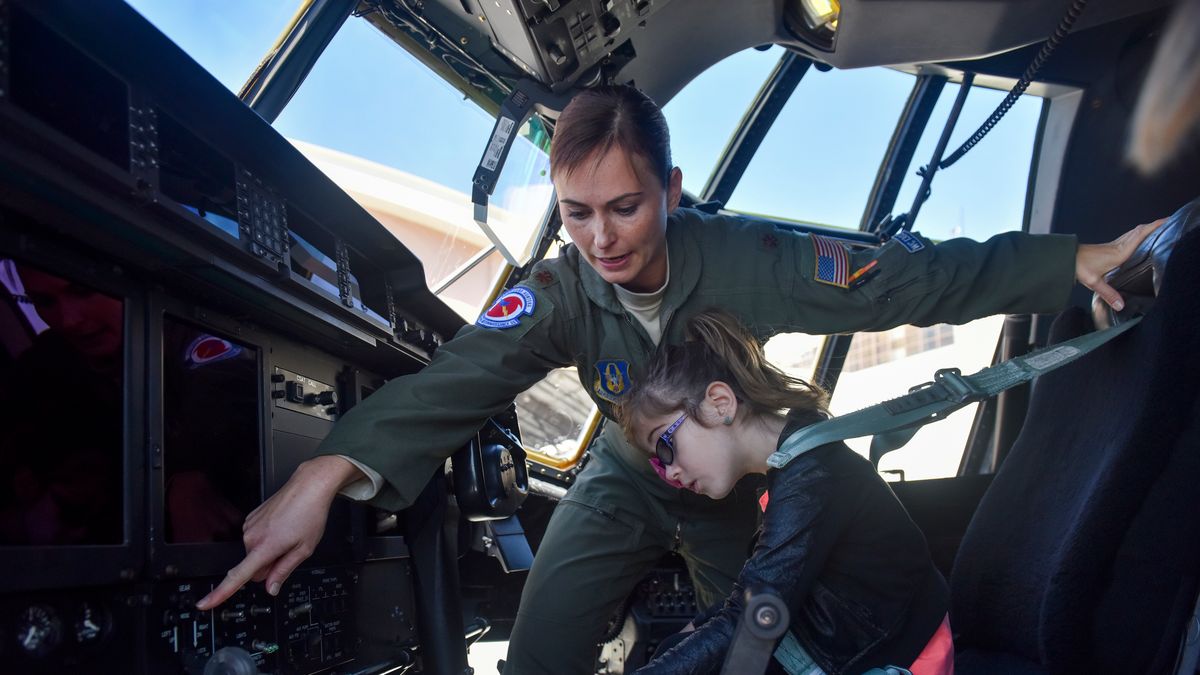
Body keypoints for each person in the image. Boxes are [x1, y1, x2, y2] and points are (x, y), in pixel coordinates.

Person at [195, 84, 1158, 674]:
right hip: (622, 472)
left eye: (624, 207)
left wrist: (1067, 261)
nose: (601, 238)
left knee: (757, 647)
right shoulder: (561, 291)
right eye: (576, 213)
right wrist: (324, 474)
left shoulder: (750, 259)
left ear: (674, 191)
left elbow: (900, 279)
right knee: (542, 645)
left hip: (721, 494)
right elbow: (463, 376)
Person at [617, 308, 952, 675]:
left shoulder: (811, 478)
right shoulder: (791, 472)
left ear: (719, 404)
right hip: (850, 642)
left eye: (664, 447)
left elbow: (753, 616)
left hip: (896, 658)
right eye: (658, 463)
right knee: (680, 645)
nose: (671, 472)